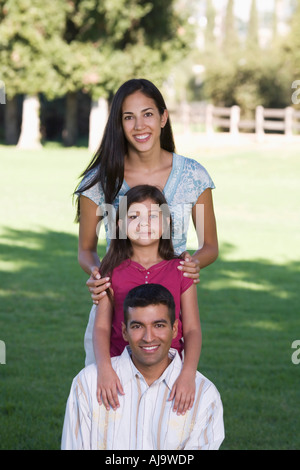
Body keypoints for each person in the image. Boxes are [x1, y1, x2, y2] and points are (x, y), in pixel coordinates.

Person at [75, 78, 218, 305]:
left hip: (170, 305)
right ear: (119, 124)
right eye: (129, 117)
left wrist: (190, 265)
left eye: (148, 114)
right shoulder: (100, 180)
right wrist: (97, 273)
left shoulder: (194, 176)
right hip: (116, 304)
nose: (139, 125)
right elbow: (85, 249)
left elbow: (210, 246)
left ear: (163, 117)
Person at [61, 284, 224, 450]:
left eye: (158, 325)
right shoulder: (88, 384)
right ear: (124, 331)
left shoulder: (204, 395)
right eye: (137, 326)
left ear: (174, 329)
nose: (148, 337)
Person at [85, 184, 202, 416]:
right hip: (121, 370)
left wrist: (188, 374)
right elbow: (100, 328)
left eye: (153, 215)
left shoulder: (181, 270)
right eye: (134, 215)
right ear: (119, 224)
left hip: (170, 371)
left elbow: (192, 329)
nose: (144, 223)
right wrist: (105, 369)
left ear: (167, 223)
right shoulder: (111, 271)